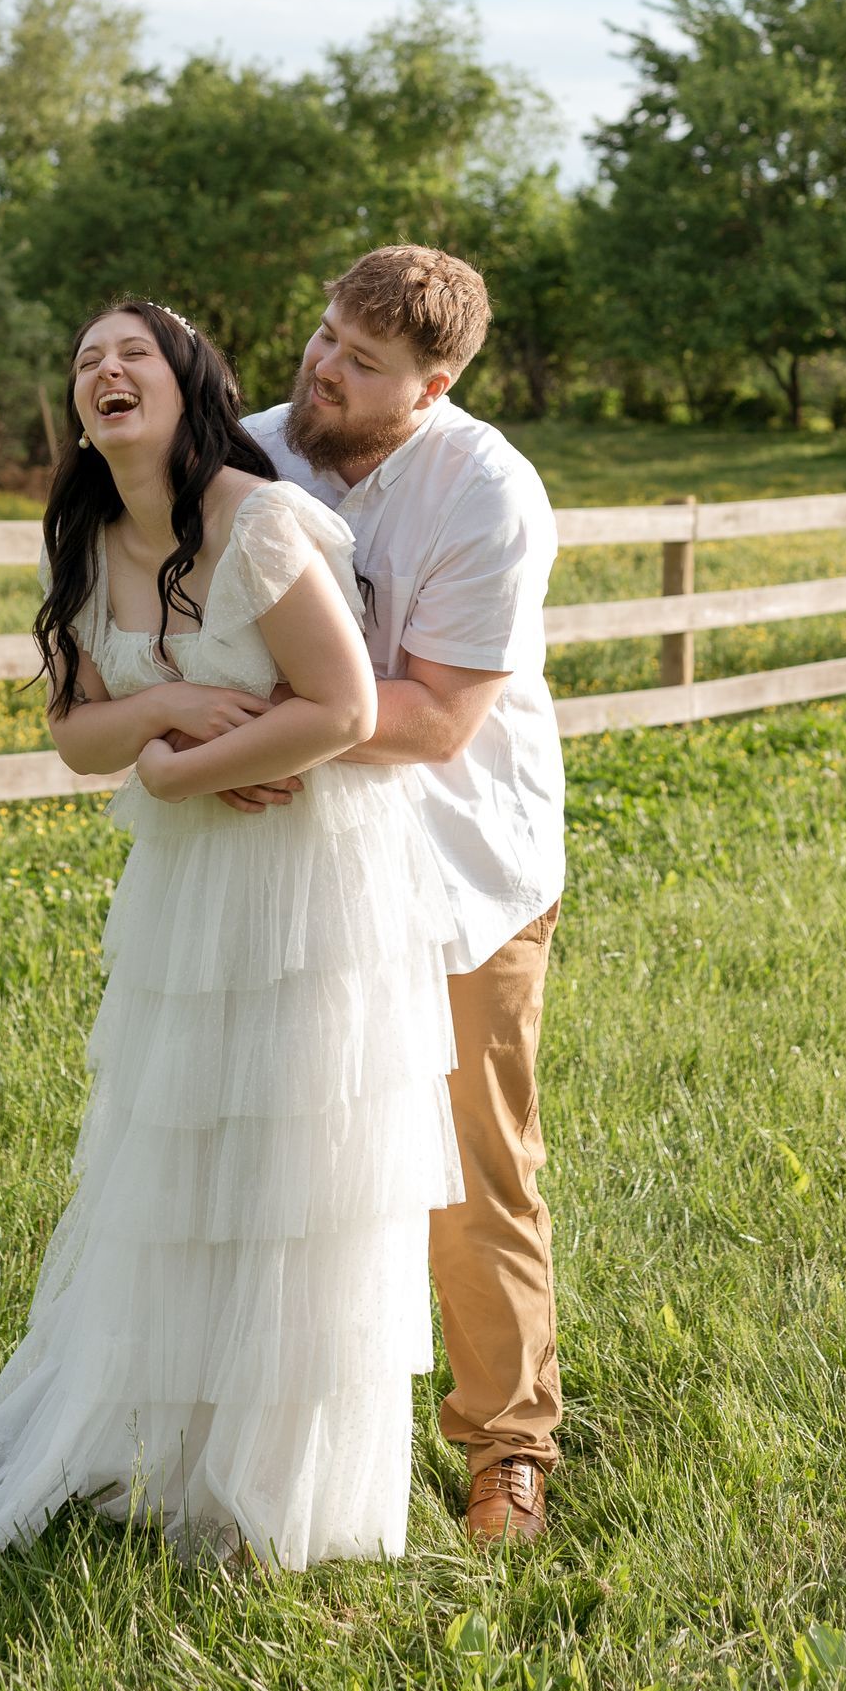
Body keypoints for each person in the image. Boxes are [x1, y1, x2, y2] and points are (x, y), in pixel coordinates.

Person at [0, 299, 462, 1570]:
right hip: (187, 889)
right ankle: (173, 1448)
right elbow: (77, 736)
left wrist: (184, 768)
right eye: (84, 360)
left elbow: (343, 707)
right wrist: (173, 705)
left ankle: (273, 1492)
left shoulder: (263, 520)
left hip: (310, 877)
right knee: (179, 1166)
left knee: (296, 1170)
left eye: (134, 353)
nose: (105, 371)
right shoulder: (76, 539)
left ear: (191, 389)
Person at [242, 245, 565, 1547]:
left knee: (472, 1168)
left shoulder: (488, 490)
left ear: (430, 387)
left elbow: (434, 721)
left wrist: (258, 727)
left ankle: (509, 1443)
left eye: (361, 363)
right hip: (299, 860)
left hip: (457, 866)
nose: (324, 367)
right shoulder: (254, 451)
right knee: (285, 1150)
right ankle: (285, 1425)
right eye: (323, 336)